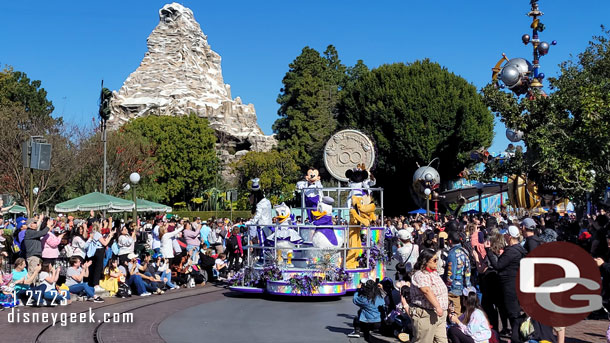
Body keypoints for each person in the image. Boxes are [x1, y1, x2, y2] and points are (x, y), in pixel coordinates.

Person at [492, 225, 527, 336]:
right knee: (514, 312)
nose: (505, 237)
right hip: (515, 283)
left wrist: (489, 252)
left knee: (513, 313)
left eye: (506, 235)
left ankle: (517, 337)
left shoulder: (512, 251)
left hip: (510, 285)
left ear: (510, 237)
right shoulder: (519, 249)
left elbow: (498, 265)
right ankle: (517, 336)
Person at [409, 248, 448, 343]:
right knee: (424, 340)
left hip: (439, 314)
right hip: (426, 314)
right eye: (434, 260)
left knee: (441, 340)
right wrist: (437, 306)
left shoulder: (434, 273)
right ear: (426, 261)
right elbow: (426, 290)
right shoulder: (420, 274)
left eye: (437, 259)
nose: (437, 262)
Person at [444, 230, 472, 316]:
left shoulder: (452, 254)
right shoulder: (464, 250)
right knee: (462, 312)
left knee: (455, 313)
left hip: (454, 287)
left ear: (450, 241)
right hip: (464, 285)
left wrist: (447, 286)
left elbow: (450, 273)